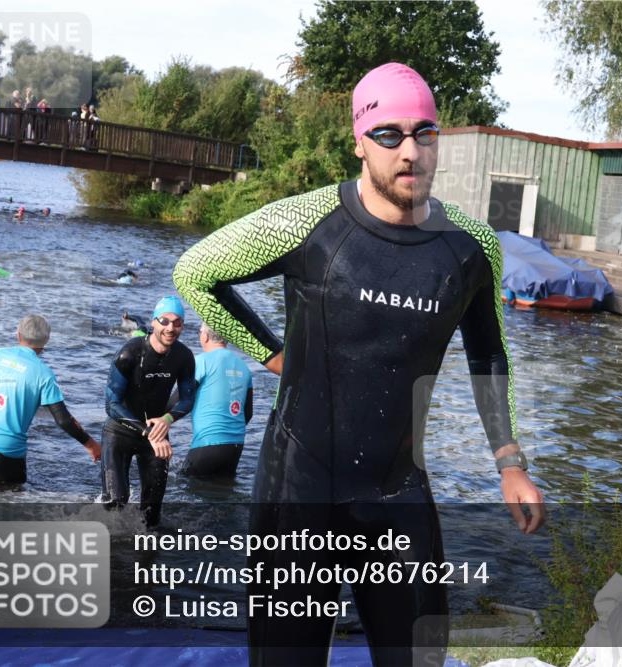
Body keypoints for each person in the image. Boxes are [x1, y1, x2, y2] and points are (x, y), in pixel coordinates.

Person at [173, 62, 544, 666]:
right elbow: (196, 272)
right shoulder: (306, 221)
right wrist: (271, 353)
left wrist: (509, 462)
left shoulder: (471, 246)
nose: (410, 151)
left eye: (424, 133)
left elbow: (488, 355)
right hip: (300, 489)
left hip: (398, 490)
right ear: (359, 143)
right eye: (389, 134)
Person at [0, 315, 101, 486]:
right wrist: (91, 445)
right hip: (7, 449)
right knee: (11, 506)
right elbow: (63, 420)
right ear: (46, 340)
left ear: (18, 334)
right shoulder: (44, 374)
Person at [101, 296, 195, 528]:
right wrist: (149, 432)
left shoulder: (183, 357)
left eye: (177, 322)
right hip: (120, 432)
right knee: (116, 502)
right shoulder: (129, 354)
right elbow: (111, 404)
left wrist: (168, 418)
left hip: (155, 434)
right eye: (165, 321)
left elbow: (187, 398)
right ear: (153, 322)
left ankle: (148, 560)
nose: (170, 328)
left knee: (152, 516)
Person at [184, 324, 253, 479]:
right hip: (235, 447)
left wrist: (156, 417)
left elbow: (180, 399)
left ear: (205, 336)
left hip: (206, 444)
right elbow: (248, 414)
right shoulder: (244, 366)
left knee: (186, 485)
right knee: (223, 495)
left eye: (199, 331)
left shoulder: (201, 361)